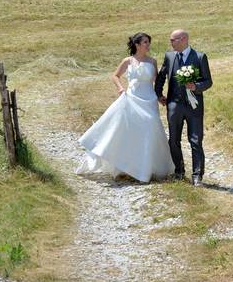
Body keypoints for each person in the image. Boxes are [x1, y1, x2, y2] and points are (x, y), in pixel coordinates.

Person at [76, 33, 174, 182]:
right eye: (145, 42)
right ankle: (126, 167)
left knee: (150, 128)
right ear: (137, 44)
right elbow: (115, 76)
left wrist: (160, 96)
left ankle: (148, 167)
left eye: (149, 42)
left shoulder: (152, 61)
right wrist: (121, 89)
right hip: (131, 99)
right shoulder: (127, 61)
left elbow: (156, 81)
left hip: (149, 100)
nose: (148, 45)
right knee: (130, 130)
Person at [155, 29, 213, 186]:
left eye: (174, 40)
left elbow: (208, 81)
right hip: (174, 104)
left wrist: (196, 86)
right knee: (173, 140)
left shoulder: (200, 57)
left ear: (184, 39)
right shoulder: (169, 56)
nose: (171, 43)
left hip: (194, 106)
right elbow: (161, 76)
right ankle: (179, 171)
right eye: (171, 40)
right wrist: (159, 94)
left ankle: (197, 175)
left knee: (195, 140)